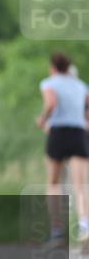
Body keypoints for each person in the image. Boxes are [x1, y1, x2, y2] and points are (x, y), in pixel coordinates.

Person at [36, 52, 89, 247]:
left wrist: (42, 119)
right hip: (79, 133)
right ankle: (85, 226)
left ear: (53, 67)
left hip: (58, 132)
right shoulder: (81, 85)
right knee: (81, 183)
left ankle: (57, 231)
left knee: (53, 183)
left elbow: (51, 103)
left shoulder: (49, 82)